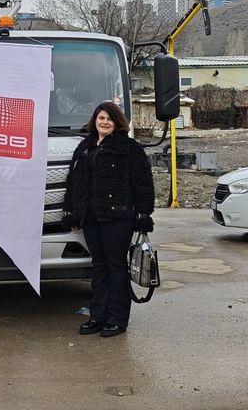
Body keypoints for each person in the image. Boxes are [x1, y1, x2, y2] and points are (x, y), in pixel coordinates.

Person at [61, 102, 154, 338]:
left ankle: (117, 319)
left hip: (118, 217)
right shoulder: (84, 147)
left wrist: (143, 215)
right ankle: (97, 316)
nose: (104, 122)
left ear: (117, 122)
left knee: (116, 266)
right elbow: (74, 183)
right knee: (99, 266)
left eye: (109, 119)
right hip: (90, 217)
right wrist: (71, 212)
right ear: (94, 121)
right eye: (101, 118)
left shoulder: (129, 148)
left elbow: (143, 183)